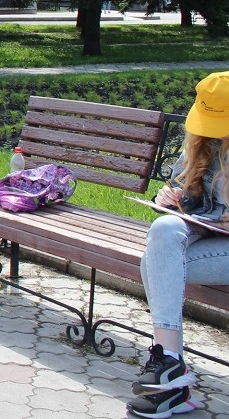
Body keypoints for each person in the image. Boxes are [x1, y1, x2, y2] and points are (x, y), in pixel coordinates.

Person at [129, 71, 229, 418]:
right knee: (165, 228)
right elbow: (188, 195)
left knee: (154, 263)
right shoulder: (200, 143)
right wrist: (171, 198)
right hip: (207, 237)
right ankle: (171, 364)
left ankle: (170, 377)